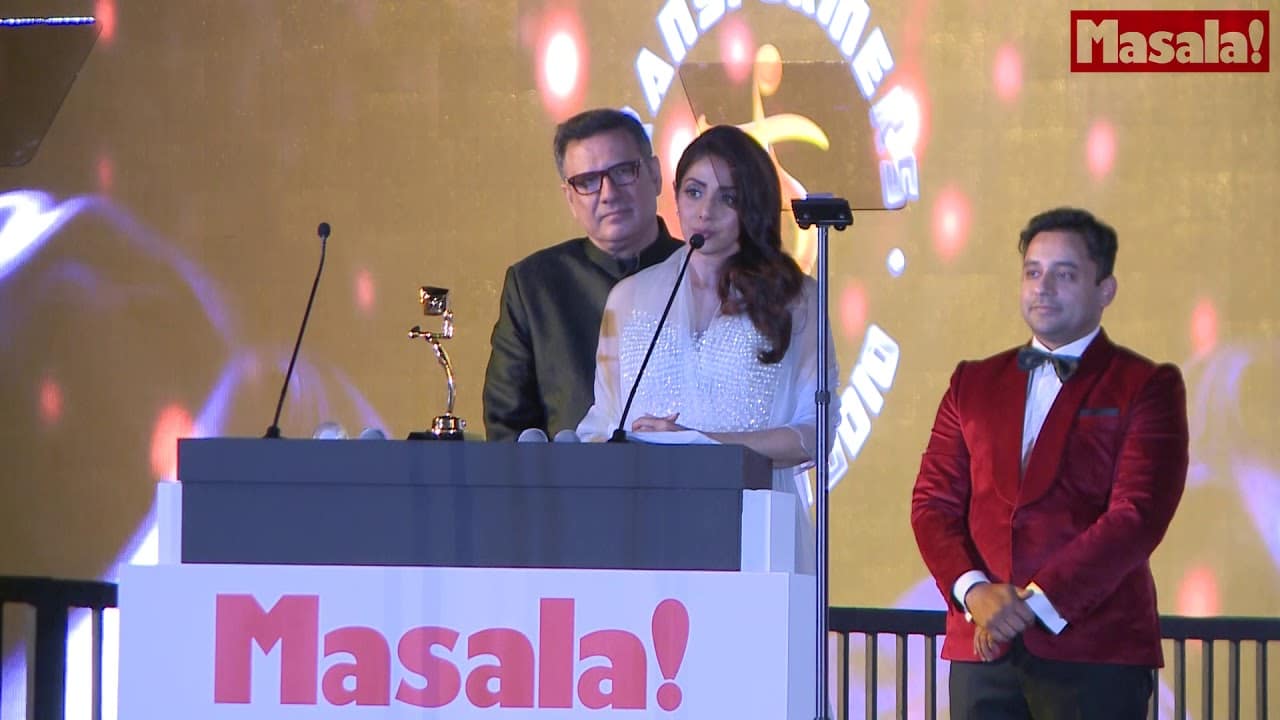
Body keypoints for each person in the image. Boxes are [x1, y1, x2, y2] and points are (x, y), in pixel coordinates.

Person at [910, 207, 1189, 719]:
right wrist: (975, 592)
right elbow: (932, 505)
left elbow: (1137, 516)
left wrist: (1032, 605)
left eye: (1065, 274)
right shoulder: (972, 382)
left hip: (1095, 650)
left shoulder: (1146, 385)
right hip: (981, 648)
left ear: (1106, 290)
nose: (1043, 287)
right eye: (1033, 272)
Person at [576, 124, 838, 509]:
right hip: (646, 515)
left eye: (727, 198)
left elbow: (814, 432)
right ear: (676, 196)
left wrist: (700, 442)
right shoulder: (628, 298)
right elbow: (603, 424)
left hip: (754, 518)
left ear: (753, 207)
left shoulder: (797, 299)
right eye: (694, 192)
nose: (705, 212)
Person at [483, 109, 683, 441]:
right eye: (587, 182)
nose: (608, 193)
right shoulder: (533, 285)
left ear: (655, 174)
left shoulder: (703, 273)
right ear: (570, 198)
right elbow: (507, 428)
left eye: (623, 172)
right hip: (562, 474)